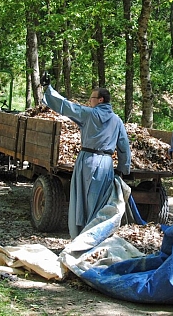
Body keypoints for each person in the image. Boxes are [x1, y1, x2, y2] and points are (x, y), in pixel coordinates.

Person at [41, 77, 131, 239]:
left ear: (100, 100)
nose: (89, 101)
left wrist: (49, 89)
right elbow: (124, 146)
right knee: (100, 201)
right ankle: (96, 236)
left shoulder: (89, 114)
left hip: (87, 160)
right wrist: (122, 170)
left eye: (91, 98)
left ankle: (80, 236)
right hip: (106, 164)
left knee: (81, 198)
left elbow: (67, 107)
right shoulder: (117, 120)